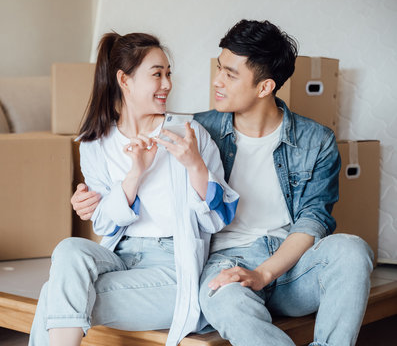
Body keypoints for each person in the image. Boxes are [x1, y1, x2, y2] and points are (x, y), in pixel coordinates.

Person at [71, 20, 374, 346]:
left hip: (291, 267)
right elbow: (134, 155)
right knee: (223, 300)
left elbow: (313, 222)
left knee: (352, 250)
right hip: (225, 263)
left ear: (264, 87)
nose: (216, 81)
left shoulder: (316, 141)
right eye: (219, 68)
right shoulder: (196, 129)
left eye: (230, 74)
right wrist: (91, 198)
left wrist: (264, 273)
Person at [29, 32, 239, 346]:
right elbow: (103, 223)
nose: (167, 84)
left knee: (54, 295)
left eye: (169, 74)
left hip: (172, 268)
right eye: (157, 74)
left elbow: (218, 217)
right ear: (124, 80)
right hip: (119, 256)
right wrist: (135, 174)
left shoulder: (188, 134)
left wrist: (195, 165)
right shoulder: (95, 143)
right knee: (68, 250)